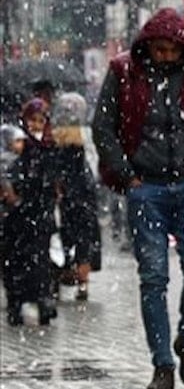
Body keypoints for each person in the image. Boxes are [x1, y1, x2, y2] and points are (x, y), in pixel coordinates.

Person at [93, 7, 184, 389]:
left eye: (171, 49)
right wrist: (127, 175)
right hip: (145, 186)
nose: (165, 56)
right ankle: (162, 364)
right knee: (153, 277)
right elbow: (103, 126)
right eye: (159, 49)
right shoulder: (123, 72)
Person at [2, 101, 57, 325]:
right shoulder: (15, 145)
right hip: (16, 214)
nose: (35, 125)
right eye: (32, 120)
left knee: (40, 259)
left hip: (40, 211)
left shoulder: (48, 145)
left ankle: (43, 300)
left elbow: (53, 174)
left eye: (40, 121)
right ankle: (17, 302)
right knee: (15, 259)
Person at [49, 92, 101, 302]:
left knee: (65, 237)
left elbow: (55, 167)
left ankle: (66, 274)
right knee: (85, 239)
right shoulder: (86, 135)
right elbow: (93, 163)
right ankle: (82, 282)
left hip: (67, 195)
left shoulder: (56, 136)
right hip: (84, 193)